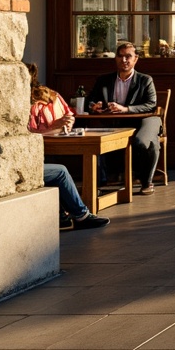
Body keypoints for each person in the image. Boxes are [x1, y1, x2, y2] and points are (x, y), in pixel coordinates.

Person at [26, 62, 109, 230]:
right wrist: (53, 126)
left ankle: (65, 214)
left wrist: (67, 122)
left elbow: (68, 114)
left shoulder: (52, 96)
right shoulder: (23, 105)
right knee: (60, 171)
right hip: (36, 152)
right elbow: (29, 135)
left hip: (52, 143)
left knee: (81, 155)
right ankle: (80, 216)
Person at [87, 42, 161, 194]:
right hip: (114, 121)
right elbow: (90, 100)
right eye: (120, 56)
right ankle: (101, 181)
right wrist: (95, 106)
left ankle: (146, 181)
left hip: (144, 119)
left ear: (136, 59)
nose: (124, 60)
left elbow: (151, 104)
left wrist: (126, 109)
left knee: (142, 141)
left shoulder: (145, 80)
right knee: (91, 139)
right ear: (116, 59)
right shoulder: (104, 80)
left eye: (128, 56)